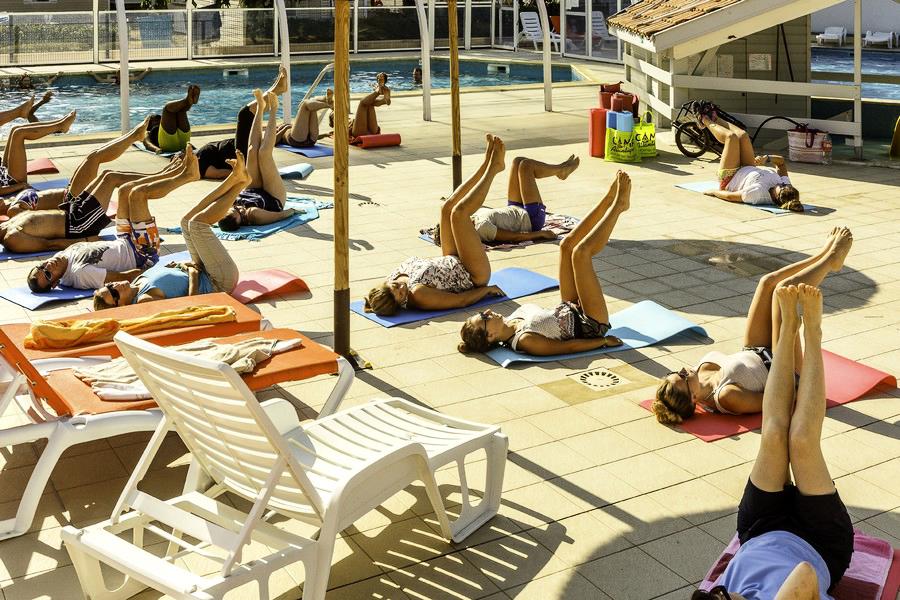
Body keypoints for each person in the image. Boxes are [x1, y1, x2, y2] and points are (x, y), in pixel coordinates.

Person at [693, 284, 853, 600]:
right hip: (820, 544)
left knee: (775, 433)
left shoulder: (723, 593)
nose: (720, 593)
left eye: (717, 595)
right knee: (802, 439)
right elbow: (805, 574)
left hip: (760, 529)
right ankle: (813, 333)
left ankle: (789, 328)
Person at [652, 226, 853, 424]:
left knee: (766, 282)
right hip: (785, 370)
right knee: (782, 292)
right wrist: (804, 389)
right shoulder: (727, 397)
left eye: (675, 372)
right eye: (683, 377)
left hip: (756, 349)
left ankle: (823, 255)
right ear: (693, 398)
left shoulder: (697, 378)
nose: (683, 370)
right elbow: (777, 401)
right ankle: (831, 259)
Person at [458, 171, 629, 356]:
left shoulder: (509, 321)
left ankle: (608, 200)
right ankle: (619, 206)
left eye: (482, 313)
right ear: (491, 336)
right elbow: (567, 348)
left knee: (566, 246)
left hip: (569, 307)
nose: (487, 311)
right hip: (589, 324)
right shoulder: (525, 341)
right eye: (484, 317)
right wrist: (603, 341)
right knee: (581, 253)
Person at [364, 134, 507, 316]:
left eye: (395, 286)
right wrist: (486, 290)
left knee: (446, 209)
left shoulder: (391, 279)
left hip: (451, 259)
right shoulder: (418, 296)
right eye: (400, 294)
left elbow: (380, 295)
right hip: (472, 274)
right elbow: (460, 301)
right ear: (400, 304)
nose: (401, 287)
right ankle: (493, 169)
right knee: (459, 214)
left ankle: (486, 165)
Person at [92, 149, 249, 308]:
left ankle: (235, 178)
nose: (115, 286)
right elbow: (191, 307)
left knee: (186, 222)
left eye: (109, 286)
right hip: (218, 281)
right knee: (197, 225)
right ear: (120, 306)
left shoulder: (136, 282)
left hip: (202, 269)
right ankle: (240, 184)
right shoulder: (145, 300)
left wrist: (180, 266)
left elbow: (169, 280)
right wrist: (193, 274)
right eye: (114, 294)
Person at [26, 155, 199, 293]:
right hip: (142, 253)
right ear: (55, 283)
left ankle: (174, 172)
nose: (48, 266)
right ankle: (188, 176)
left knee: (124, 190)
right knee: (138, 194)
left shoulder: (62, 256)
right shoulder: (80, 275)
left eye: (41, 266)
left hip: (123, 239)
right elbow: (122, 277)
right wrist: (156, 270)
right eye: (47, 274)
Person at [0, 150, 172, 255]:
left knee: (107, 174)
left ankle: (161, 175)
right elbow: (50, 245)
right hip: (80, 225)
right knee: (112, 179)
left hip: (73, 212)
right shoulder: (12, 239)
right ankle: (164, 177)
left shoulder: (9, 223)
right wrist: (87, 240)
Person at [1, 115, 151, 218]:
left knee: (99, 164)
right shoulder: (15, 211)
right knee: (95, 159)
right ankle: (135, 138)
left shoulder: (12, 202)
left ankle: (136, 139)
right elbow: (43, 220)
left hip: (70, 194)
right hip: (73, 202)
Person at [433, 154, 579, 246]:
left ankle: (561, 169)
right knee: (526, 166)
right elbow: (514, 237)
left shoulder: (469, 217)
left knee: (517, 161)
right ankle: (561, 170)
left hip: (514, 208)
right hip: (531, 219)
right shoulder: (482, 228)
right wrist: (540, 234)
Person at [693, 103, 801, 212]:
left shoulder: (758, 194)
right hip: (748, 167)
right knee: (743, 135)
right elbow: (781, 163)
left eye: (781, 187)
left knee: (731, 137)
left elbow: (730, 196)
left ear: (776, 197)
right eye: (784, 185)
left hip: (730, 178)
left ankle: (704, 120)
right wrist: (767, 158)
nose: (781, 184)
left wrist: (714, 192)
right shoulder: (786, 187)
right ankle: (715, 118)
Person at [216, 90, 297, 232]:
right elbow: (279, 216)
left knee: (252, 150)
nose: (229, 210)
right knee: (264, 154)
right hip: (273, 196)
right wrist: (292, 212)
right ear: (236, 219)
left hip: (253, 188)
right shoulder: (252, 214)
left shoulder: (231, 207)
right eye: (229, 214)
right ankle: (273, 109)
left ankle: (260, 107)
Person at [196, 67, 287, 179]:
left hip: (240, 148)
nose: (179, 156)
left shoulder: (196, 155)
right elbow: (222, 173)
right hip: (241, 155)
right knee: (245, 114)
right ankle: (278, 89)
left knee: (251, 115)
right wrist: (252, 171)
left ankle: (277, 88)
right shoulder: (198, 166)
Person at [0, 110, 76, 198]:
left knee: (15, 129)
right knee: (19, 134)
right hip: (9, 182)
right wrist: (22, 185)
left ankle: (60, 124)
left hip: (2, 171)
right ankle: (60, 127)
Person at [142, 84, 200, 154]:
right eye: (154, 120)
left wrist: (191, 147)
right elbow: (147, 143)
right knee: (167, 109)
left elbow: (147, 143)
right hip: (171, 144)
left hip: (183, 142)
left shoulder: (158, 128)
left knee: (180, 111)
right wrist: (156, 149)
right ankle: (187, 101)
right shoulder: (148, 132)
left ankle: (188, 101)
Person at [349, 72, 391, 139]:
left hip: (362, 130)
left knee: (367, 102)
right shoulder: (339, 121)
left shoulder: (340, 120)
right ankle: (381, 96)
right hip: (370, 131)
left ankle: (378, 93)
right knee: (365, 102)